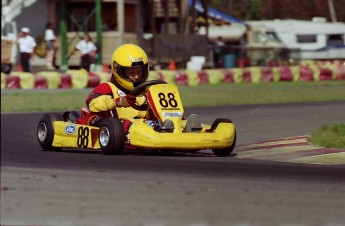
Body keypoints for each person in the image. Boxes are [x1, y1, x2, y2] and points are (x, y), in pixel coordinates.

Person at [76, 44, 201, 133]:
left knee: (169, 121)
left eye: (139, 72)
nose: (137, 76)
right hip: (119, 127)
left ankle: (183, 127)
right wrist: (119, 102)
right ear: (119, 71)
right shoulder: (108, 87)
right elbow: (93, 104)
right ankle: (163, 130)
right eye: (132, 72)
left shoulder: (147, 90)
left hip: (148, 124)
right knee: (130, 125)